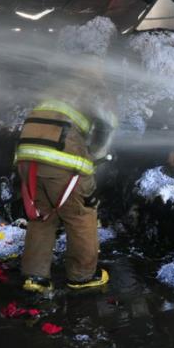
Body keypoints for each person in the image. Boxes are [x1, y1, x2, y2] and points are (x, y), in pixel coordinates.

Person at [14, 66, 117, 293]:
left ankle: (36, 277)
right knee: (81, 214)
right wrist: (96, 159)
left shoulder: (56, 89)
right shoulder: (97, 91)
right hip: (60, 158)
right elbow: (106, 128)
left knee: (42, 215)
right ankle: (82, 276)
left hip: (26, 157)